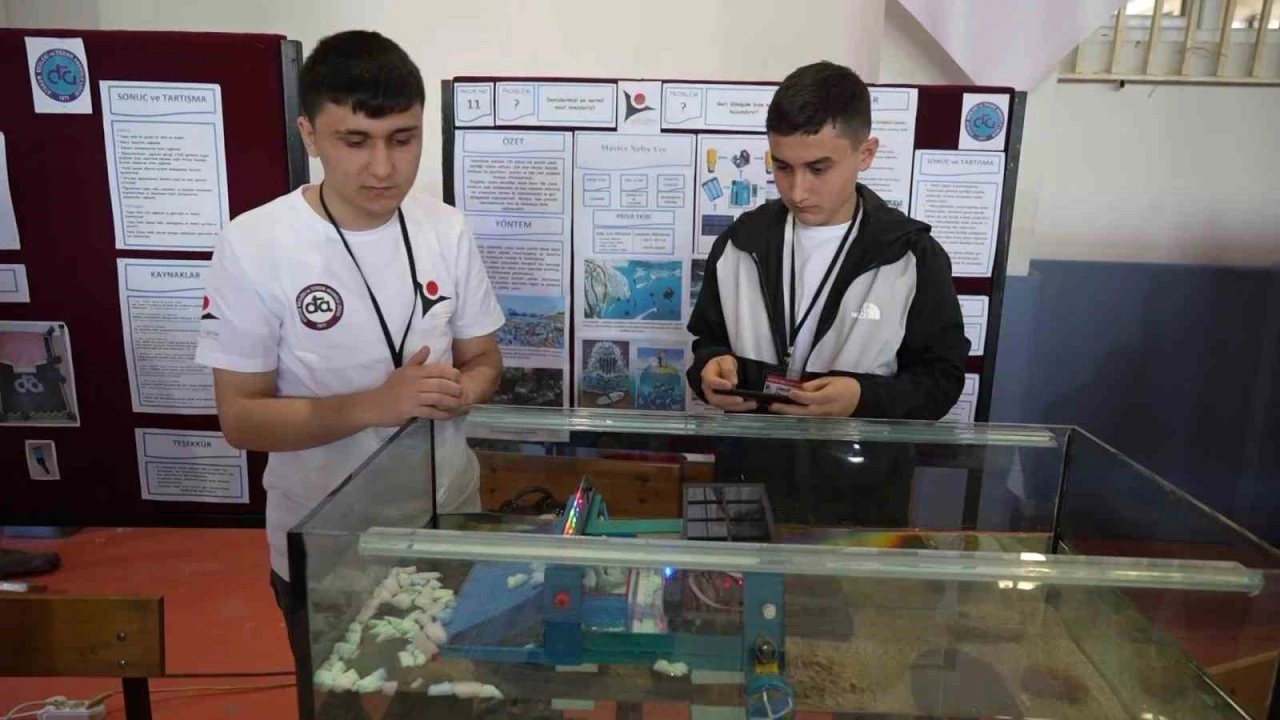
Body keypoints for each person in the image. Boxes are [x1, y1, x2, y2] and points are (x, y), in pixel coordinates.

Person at [194, 31, 504, 663]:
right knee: (347, 694)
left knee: (450, 691)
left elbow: (484, 360)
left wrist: (461, 389)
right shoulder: (254, 244)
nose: (383, 168)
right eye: (355, 141)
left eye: (403, 139)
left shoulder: (446, 228)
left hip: (447, 518)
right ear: (309, 135)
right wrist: (375, 405)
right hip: (327, 538)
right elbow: (241, 418)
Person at [686, 61, 970, 528]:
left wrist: (861, 397)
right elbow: (708, 343)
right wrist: (709, 372)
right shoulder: (739, 243)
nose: (798, 191)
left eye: (819, 168)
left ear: (866, 153)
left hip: (861, 499)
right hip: (746, 487)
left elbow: (942, 380)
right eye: (782, 167)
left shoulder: (912, 256)